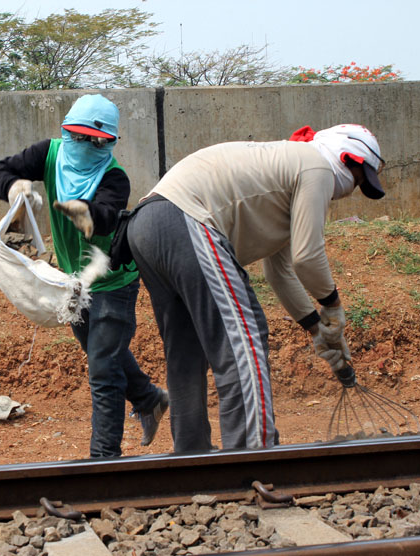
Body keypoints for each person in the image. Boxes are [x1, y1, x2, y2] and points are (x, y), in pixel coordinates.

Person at [125, 124, 386, 453]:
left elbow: (281, 271)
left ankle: (190, 457)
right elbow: (308, 256)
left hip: (147, 224)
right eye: (358, 181)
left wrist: (316, 329)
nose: (348, 192)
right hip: (187, 216)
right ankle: (253, 458)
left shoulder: (284, 171)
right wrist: (332, 305)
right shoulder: (316, 165)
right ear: (347, 159)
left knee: (186, 353)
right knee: (243, 340)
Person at [0, 94, 169, 458]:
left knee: (103, 370)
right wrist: (12, 186)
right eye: (78, 137)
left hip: (114, 282)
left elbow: (107, 212)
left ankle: (104, 459)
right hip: (76, 281)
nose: (84, 146)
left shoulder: (114, 176)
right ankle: (149, 398)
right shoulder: (48, 154)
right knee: (102, 354)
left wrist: (87, 215)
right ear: (67, 132)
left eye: (95, 140)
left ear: (108, 142)